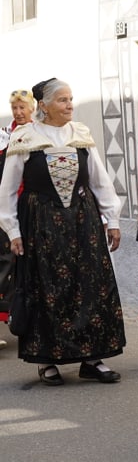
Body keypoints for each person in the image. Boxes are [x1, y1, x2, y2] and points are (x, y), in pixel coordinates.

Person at [0, 78, 125, 385]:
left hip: (83, 220)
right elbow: (7, 190)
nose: (70, 105)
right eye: (62, 100)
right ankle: (46, 360)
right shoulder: (25, 137)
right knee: (47, 288)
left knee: (89, 284)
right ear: (43, 106)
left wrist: (112, 219)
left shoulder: (80, 133)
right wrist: (13, 230)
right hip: (41, 221)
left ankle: (91, 357)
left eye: (71, 99)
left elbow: (99, 180)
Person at [0, 89, 36, 337]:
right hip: (8, 207)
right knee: (4, 264)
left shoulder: (40, 134)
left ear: (32, 108)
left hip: (33, 207)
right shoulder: (4, 137)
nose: (18, 112)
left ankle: (28, 317)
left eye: (23, 107)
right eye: (15, 108)